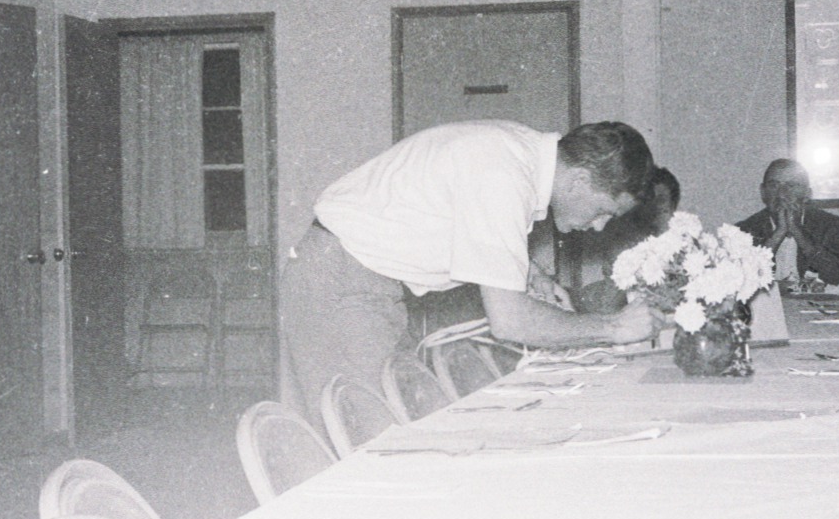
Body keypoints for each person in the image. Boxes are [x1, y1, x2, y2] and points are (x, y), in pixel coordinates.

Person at [278, 120, 660, 427]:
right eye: (603, 211)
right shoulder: (505, 173)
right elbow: (509, 322)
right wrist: (614, 328)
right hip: (342, 282)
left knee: (386, 428)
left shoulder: (518, 153)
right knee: (371, 437)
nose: (598, 227)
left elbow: (465, 224)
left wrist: (529, 274)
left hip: (352, 277)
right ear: (580, 180)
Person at [733, 159, 839, 289]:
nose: (782, 194)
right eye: (774, 185)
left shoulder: (832, 225)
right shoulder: (745, 229)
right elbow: (741, 280)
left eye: (791, 185)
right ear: (763, 192)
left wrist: (798, 231)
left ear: (807, 194)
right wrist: (778, 233)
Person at [574, 166, 680, 314]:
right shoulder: (623, 247)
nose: (655, 209)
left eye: (661, 201)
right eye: (649, 201)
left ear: (673, 205)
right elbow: (611, 301)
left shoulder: (686, 253)